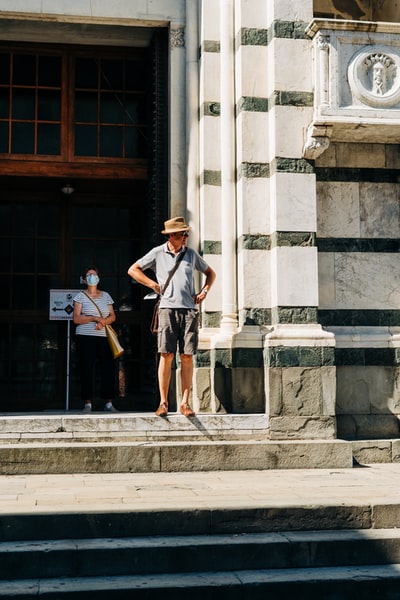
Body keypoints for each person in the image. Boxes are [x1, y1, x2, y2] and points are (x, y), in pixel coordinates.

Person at [128, 216, 216, 417]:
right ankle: (163, 402)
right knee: (166, 355)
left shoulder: (191, 254)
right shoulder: (158, 253)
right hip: (167, 309)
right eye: (181, 235)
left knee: (186, 356)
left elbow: (211, 273)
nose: (185, 238)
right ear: (171, 236)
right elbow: (133, 270)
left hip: (189, 311)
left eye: (186, 234)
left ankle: (185, 403)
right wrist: (152, 285)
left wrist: (204, 292)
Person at [73, 267, 118, 413]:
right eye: (89, 275)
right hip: (85, 337)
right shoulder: (80, 297)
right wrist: (93, 318)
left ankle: (109, 402)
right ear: (84, 280)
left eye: (94, 274)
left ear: (99, 278)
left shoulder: (106, 296)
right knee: (87, 368)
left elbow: (112, 316)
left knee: (108, 368)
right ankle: (88, 402)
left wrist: (103, 322)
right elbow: (76, 318)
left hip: (104, 337)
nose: (92, 276)